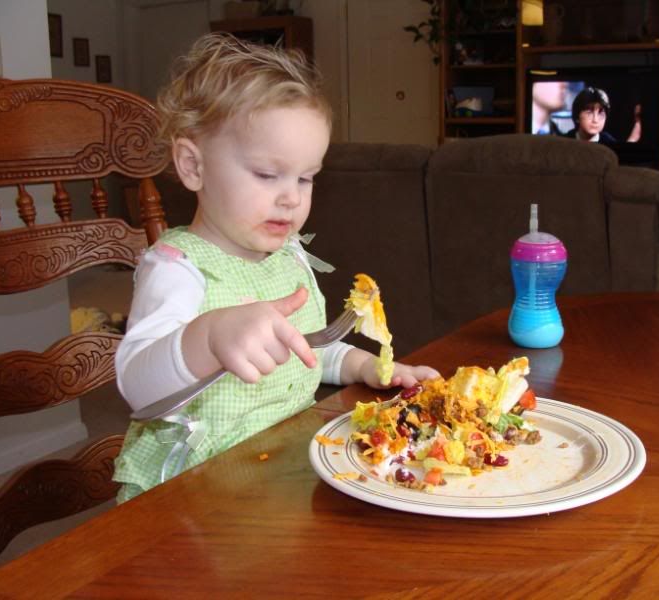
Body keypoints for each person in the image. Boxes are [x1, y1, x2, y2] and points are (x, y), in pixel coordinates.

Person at [113, 33, 440, 502]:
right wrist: (208, 337)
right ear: (193, 166)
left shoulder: (289, 256)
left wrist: (365, 365)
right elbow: (138, 387)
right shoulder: (178, 268)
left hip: (281, 468)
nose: (291, 197)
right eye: (267, 175)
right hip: (194, 498)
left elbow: (307, 349)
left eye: (305, 178)